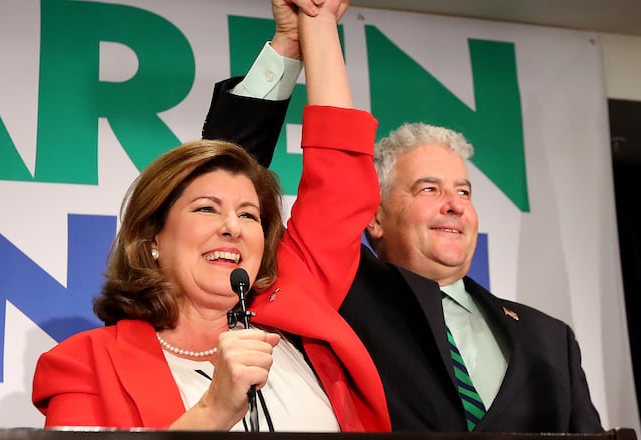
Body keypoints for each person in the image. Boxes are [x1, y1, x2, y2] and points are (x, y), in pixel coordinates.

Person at [204, 5, 604, 434]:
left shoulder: (548, 338)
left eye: (463, 191)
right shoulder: (333, 291)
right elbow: (221, 174)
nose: (453, 204)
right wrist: (288, 46)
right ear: (374, 216)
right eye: (429, 189)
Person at [32, 0, 382, 431]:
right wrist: (213, 412)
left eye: (249, 215)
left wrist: (318, 23)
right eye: (206, 208)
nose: (232, 227)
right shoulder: (86, 363)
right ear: (153, 238)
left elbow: (340, 183)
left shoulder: (299, 309)